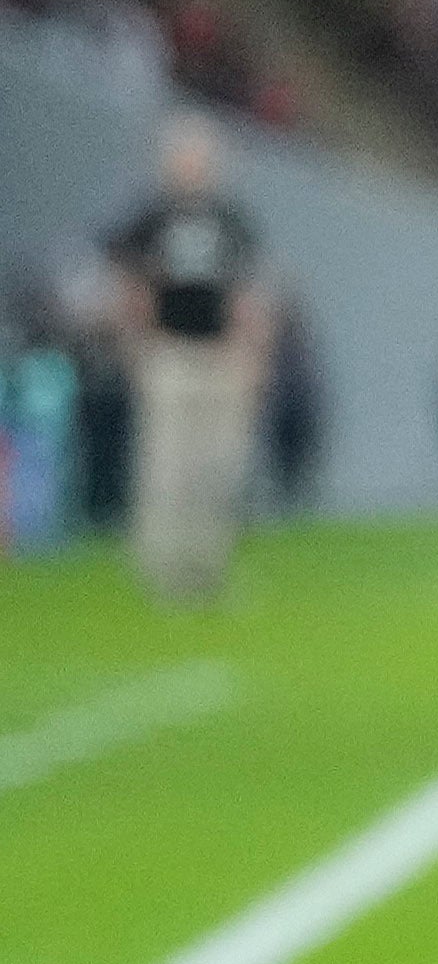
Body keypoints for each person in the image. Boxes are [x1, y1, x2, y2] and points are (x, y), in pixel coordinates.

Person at [102, 118, 275, 612]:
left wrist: (252, 353)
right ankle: (163, 568)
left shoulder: (230, 219)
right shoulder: (152, 217)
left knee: (217, 466)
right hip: (170, 351)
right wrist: (135, 342)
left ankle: (207, 566)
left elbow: (248, 293)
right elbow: (128, 282)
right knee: (166, 464)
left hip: (220, 354)